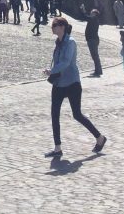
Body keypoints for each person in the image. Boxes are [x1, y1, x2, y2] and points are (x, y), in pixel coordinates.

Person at [43, 17, 106, 158]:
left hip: (72, 83)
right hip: (59, 83)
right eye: (52, 25)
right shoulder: (58, 42)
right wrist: (53, 71)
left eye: (55, 25)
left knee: (77, 114)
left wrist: (51, 70)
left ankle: (100, 137)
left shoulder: (70, 42)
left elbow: (66, 62)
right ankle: (57, 148)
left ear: (62, 27)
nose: (52, 27)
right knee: (54, 114)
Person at [85, 9, 102, 77]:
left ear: (95, 14)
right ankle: (98, 70)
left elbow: (85, 17)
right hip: (93, 39)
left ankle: (98, 71)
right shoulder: (94, 19)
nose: (90, 13)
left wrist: (83, 10)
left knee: (95, 56)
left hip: (92, 40)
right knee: (95, 56)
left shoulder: (93, 19)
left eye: (91, 12)